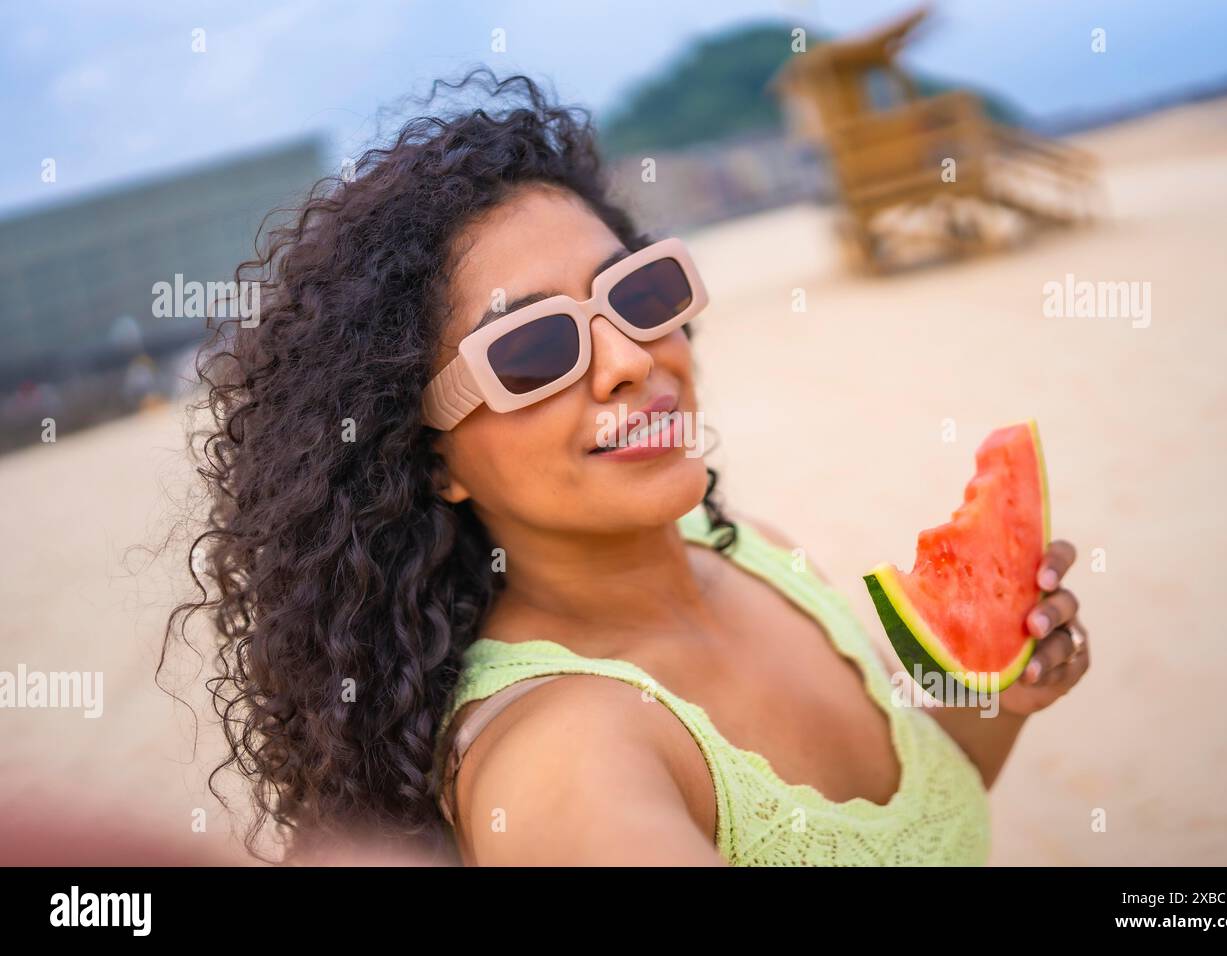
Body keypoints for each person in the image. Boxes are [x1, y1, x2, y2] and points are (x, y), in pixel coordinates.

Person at [166, 68, 1088, 867]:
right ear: (429, 456)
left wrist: (997, 690)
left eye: (640, 293)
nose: (631, 359)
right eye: (532, 350)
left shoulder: (755, 554)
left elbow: (928, 820)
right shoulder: (567, 764)